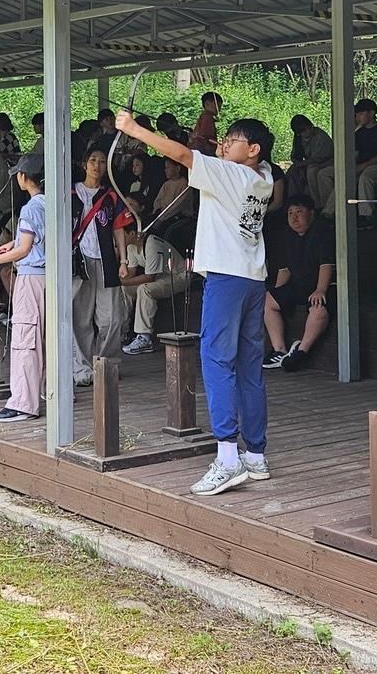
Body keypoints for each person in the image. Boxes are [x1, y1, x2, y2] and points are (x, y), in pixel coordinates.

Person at [115, 108, 274, 497]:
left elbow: (184, 156)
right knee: (248, 367)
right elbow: (202, 155)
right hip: (253, 280)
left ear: (253, 149)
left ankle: (227, 456)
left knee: (217, 361)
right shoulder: (264, 176)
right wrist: (216, 148)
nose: (224, 145)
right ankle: (255, 454)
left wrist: (135, 130)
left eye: (232, 141)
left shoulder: (232, 173)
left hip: (225, 277)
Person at [0, 151, 48, 423]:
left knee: (25, 340)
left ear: (24, 178)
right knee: (46, 338)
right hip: (50, 280)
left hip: (31, 279)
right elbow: (32, 242)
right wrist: (11, 245)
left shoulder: (30, 208)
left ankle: (23, 403)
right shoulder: (54, 203)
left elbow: (27, 249)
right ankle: (47, 392)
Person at [70, 147, 132, 385]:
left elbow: (118, 228)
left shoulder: (111, 195)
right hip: (79, 262)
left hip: (106, 261)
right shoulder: (71, 191)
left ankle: (106, 365)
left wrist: (123, 260)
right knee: (80, 318)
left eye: (102, 161)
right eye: (93, 161)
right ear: (84, 164)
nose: (97, 165)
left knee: (112, 318)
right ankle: (82, 369)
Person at [262, 195, 334, 372]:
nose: (294, 218)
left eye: (299, 212)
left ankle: (301, 352)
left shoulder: (321, 232)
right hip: (298, 285)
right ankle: (279, 350)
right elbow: (284, 269)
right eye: (290, 213)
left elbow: (327, 265)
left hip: (323, 286)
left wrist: (320, 289)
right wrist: (279, 295)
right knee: (268, 300)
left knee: (318, 309)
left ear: (311, 214)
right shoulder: (287, 236)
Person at [119, 223, 191, 356]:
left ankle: (144, 338)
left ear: (132, 233)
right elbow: (131, 272)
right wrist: (120, 278)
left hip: (177, 277)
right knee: (125, 288)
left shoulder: (152, 244)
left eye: (122, 234)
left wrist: (122, 281)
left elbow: (149, 278)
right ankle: (123, 330)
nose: (119, 238)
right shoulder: (131, 246)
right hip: (161, 277)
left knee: (144, 289)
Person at [347, 99, 377, 226]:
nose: (357, 117)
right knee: (344, 179)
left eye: (361, 113)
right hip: (362, 166)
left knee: (366, 176)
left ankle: (366, 215)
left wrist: (363, 166)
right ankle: (329, 212)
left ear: (371, 113)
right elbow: (355, 154)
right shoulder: (359, 133)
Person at [287, 115, 334, 204]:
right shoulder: (298, 139)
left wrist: (301, 165)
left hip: (326, 162)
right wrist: (298, 165)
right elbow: (295, 156)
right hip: (307, 163)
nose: (307, 132)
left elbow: (318, 158)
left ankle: (317, 203)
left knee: (311, 171)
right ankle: (293, 201)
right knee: (293, 172)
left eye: (308, 128)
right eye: (302, 131)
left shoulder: (320, 136)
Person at [188, 92, 222, 156]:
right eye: (217, 106)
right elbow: (206, 137)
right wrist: (220, 144)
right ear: (207, 104)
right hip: (202, 150)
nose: (219, 109)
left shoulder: (205, 116)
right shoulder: (207, 117)